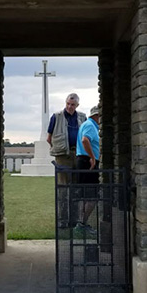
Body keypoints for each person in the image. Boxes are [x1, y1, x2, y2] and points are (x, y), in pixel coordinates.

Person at [47, 93, 87, 227]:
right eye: (68, 104)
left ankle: (74, 220)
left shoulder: (82, 117)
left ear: (77, 105)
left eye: (73, 105)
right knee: (63, 189)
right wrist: (60, 149)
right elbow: (49, 138)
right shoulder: (56, 117)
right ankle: (62, 221)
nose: (70, 107)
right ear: (65, 103)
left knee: (75, 188)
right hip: (63, 156)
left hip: (78, 154)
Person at [74, 105, 101, 236]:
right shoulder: (90, 125)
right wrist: (92, 157)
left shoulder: (89, 125)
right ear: (96, 116)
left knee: (87, 195)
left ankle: (81, 223)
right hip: (87, 162)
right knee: (91, 195)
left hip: (86, 161)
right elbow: (85, 140)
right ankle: (82, 224)